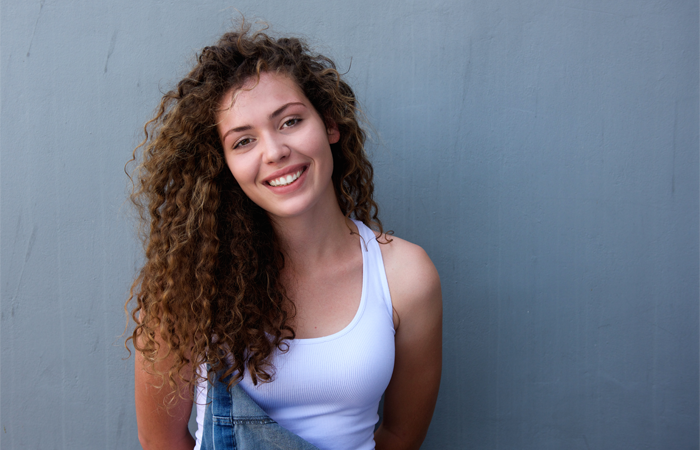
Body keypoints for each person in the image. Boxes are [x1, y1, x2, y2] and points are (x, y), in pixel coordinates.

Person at [126, 23, 442, 450]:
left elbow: (402, 435)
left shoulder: (405, 276)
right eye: (243, 142)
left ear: (330, 124)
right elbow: (161, 440)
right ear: (224, 165)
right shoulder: (187, 286)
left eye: (290, 121)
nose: (273, 151)